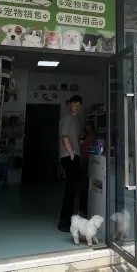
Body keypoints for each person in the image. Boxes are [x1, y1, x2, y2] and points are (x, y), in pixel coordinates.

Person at [58, 95, 83, 232]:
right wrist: (71, 154)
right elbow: (64, 137)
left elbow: (75, 137)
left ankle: (70, 221)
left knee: (73, 190)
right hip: (69, 157)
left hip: (75, 155)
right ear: (70, 105)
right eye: (74, 104)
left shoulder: (77, 119)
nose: (76, 107)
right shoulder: (67, 118)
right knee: (70, 190)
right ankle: (64, 223)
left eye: (78, 105)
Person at [78, 120, 96, 218]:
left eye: (89, 126)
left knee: (86, 184)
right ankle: (83, 208)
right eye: (86, 126)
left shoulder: (91, 136)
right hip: (85, 160)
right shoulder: (84, 135)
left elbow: (87, 147)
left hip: (89, 160)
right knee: (84, 184)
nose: (87, 127)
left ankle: (84, 208)